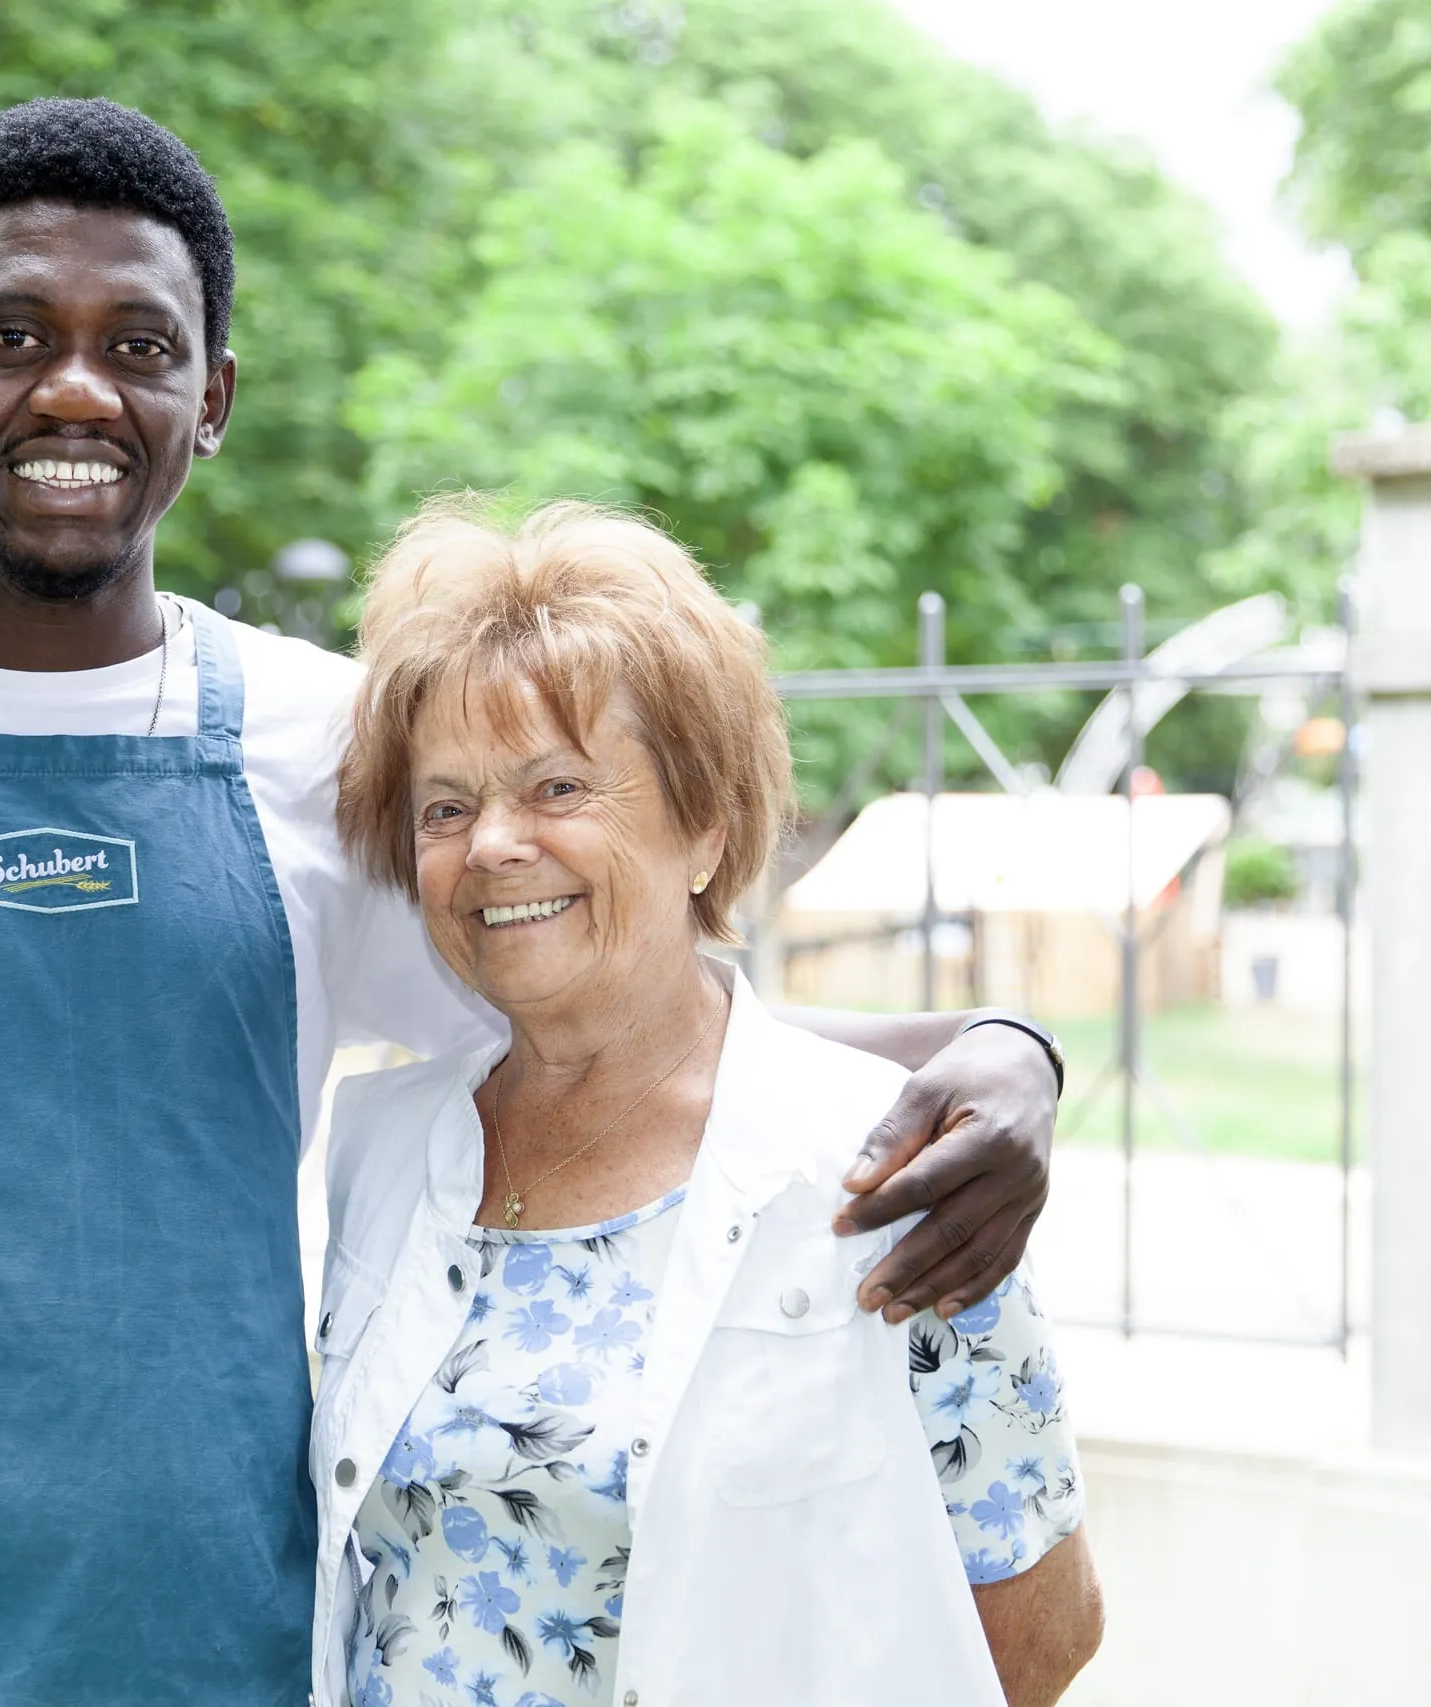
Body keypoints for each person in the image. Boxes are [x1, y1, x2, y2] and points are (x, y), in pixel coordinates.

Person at [0, 99, 1071, 1707]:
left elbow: (637, 1026)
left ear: (208, 402)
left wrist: (999, 1043)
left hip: (222, 1660)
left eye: (139, 345)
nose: (75, 387)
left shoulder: (332, 747)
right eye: (9, 335)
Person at [315, 500, 1104, 1707]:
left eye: (558, 786)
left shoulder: (883, 1167)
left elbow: (1036, 1640)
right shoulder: (379, 1153)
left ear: (705, 826)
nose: (492, 846)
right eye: (446, 806)